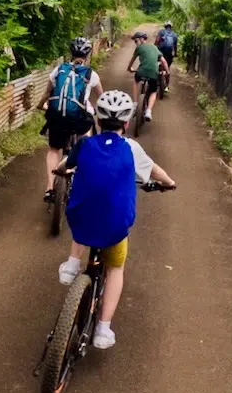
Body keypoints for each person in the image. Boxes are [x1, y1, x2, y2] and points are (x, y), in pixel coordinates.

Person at [55, 90, 176, 349]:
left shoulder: (85, 144)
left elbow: (66, 164)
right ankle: (102, 329)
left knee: (83, 214)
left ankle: (72, 265)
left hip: (81, 220)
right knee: (115, 267)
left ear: (97, 120)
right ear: (127, 123)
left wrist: (61, 170)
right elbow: (154, 171)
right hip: (115, 225)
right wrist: (168, 183)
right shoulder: (132, 148)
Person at [40, 37, 102, 202]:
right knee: (86, 138)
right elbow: (101, 98)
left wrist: (41, 105)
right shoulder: (91, 74)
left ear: (70, 53)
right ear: (88, 55)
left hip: (56, 115)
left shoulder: (59, 69)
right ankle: (81, 174)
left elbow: (47, 93)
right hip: (78, 118)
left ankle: (49, 188)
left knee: (54, 149)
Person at [127, 31, 168, 121]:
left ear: (141, 39)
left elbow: (132, 60)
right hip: (154, 73)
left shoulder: (139, 48)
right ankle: (149, 111)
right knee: (153, 91)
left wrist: (129, 68)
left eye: (136, 41)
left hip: (141, 72)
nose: (135, 43)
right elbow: (164, 61)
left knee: (136, 81)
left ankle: (135, 104)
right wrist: (167, 72)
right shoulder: (154, 48)